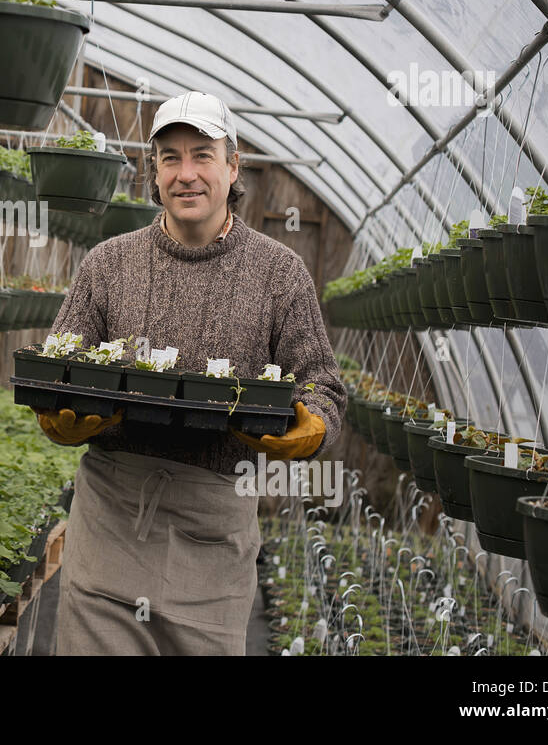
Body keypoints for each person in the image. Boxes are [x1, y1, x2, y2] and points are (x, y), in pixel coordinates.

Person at [34, 91, 346, 655]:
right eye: (170, 158)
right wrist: (59, 412)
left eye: (202, 155)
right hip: (111, 519)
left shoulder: (279, 273)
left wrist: (307, 426)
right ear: (154, 174)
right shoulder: (109, 263)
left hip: (214, 536)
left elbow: (323, 386)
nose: (186, 174)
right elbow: (59, 367)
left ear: (232, 167)